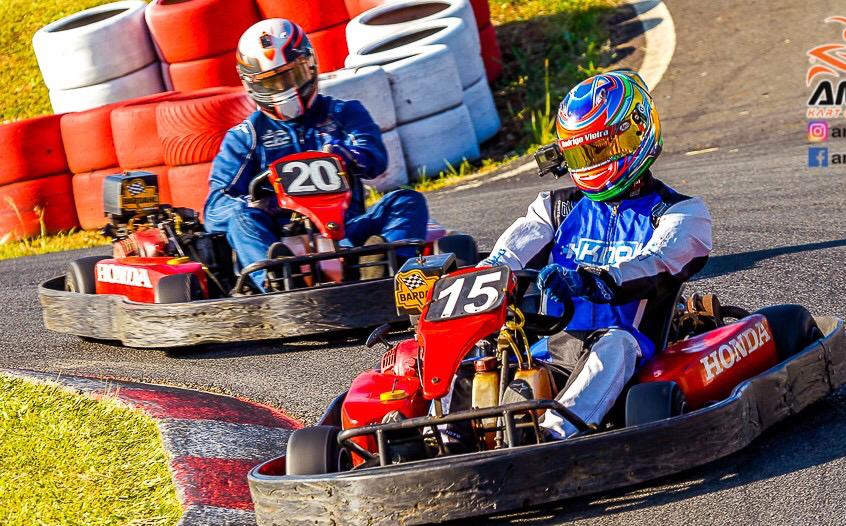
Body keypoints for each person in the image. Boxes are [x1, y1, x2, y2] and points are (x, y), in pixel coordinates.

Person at [480, 69, 712, 440]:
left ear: (635, 133)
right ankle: (447, 436)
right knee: (483, 354)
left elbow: (658, 261)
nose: (590, 163)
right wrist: (473, 283)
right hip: (550, 346)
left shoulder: (680, 212)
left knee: (615, 343)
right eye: (580, 154)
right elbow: (504, 256)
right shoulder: (554, 209)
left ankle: (554, 438)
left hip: (627, 350)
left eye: (598, 150)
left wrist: (595, 279)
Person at [204, 18, 428, 290]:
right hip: (280, 238)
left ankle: (387, 269)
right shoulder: (246, 136)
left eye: (291, 76)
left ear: (309, 66)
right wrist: (255, 203)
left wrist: (347, 156)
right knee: (241, 218)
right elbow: (215, 208)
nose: (282, 90)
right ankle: (277, 282)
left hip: (346, 231)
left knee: (407, 200)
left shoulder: (344, 114)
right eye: (270, 83)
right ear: (253, 85)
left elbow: (375, 158)